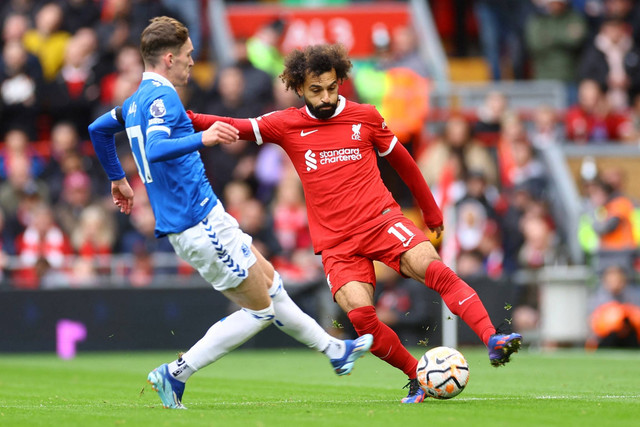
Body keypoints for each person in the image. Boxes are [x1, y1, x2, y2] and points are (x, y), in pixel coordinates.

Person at [188, 43, 522, 404]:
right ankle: (417, 376)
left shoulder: (365, 116)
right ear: (300, 88)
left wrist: (431, 211)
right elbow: (233, 127)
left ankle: (492, 337)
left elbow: (404, 162)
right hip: (336, 244)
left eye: (332, 87)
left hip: (381, 221)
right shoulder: (285, 124)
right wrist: (184, 116)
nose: (327, 96)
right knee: (362, 321)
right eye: (317, 90)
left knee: (435, 270)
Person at [87, 17, 373, 410]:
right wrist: (202, 137)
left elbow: (98, 130)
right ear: (169, 58)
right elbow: (154, 148)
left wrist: (118, 179)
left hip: (207, 217)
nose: (192, 63)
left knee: (271, 284)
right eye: (188, 56)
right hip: (196, 223)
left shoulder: (135, 100)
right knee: (260, 311)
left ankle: (335, 351)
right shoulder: (161, 98)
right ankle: (176, 373)